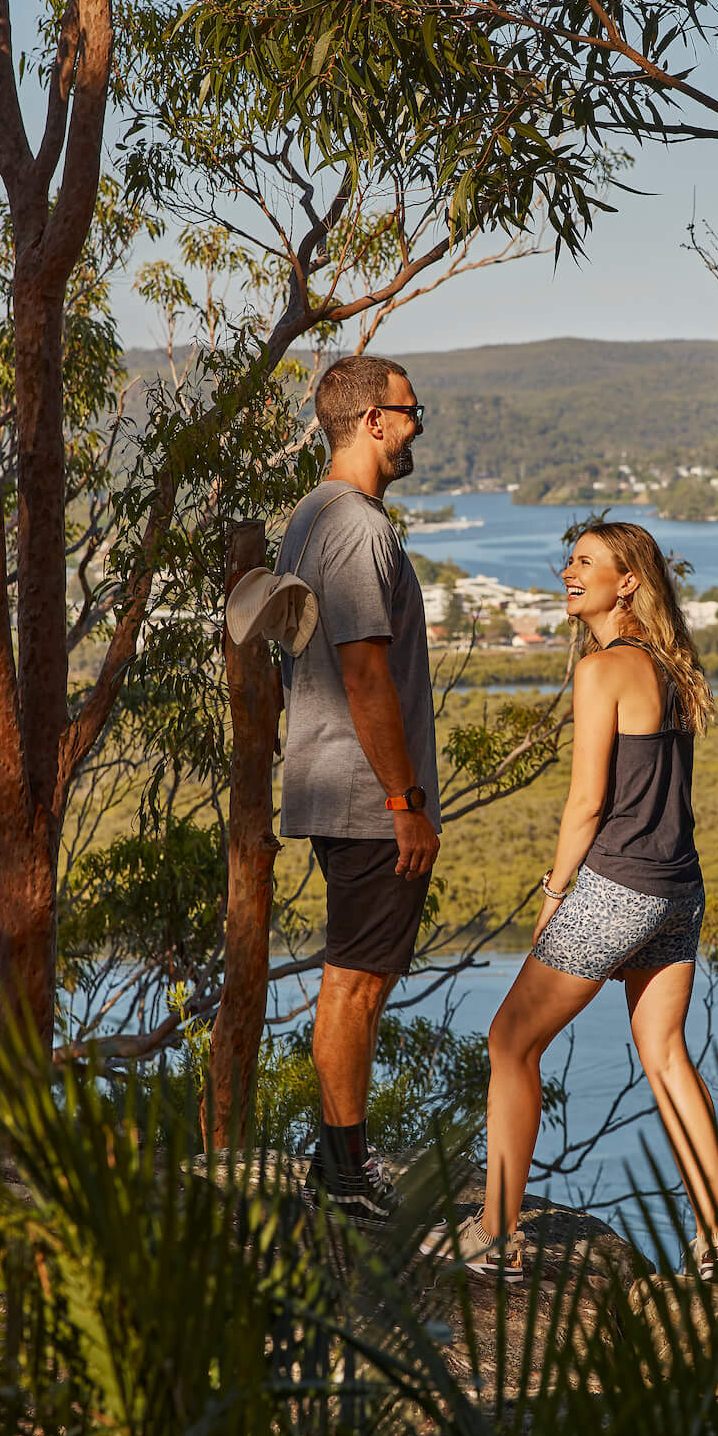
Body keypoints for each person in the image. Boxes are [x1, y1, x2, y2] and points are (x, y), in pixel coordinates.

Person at [425, 521, 718, 1280]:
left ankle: (497, 1237)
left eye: (586, 562)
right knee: (665, 1057)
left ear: (626, 583)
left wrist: (555, 892)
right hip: (677, 890)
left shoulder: (604, 670)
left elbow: (587, 803)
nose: (568, 570)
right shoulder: (671, 666)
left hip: (617, 886)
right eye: (568, 558)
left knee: (509, 1044)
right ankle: (714, 1244)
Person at [276, 354, 441, 1220]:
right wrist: (405, 803)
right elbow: (364, 673)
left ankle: (336, 1159)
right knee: (357, 981)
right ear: (372, 421)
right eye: (412, 411)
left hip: (334, 782)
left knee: (355, 976)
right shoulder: (359, 528)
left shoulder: (309, 517)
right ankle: (343, 1174)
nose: (419, 425)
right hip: (367, 796)